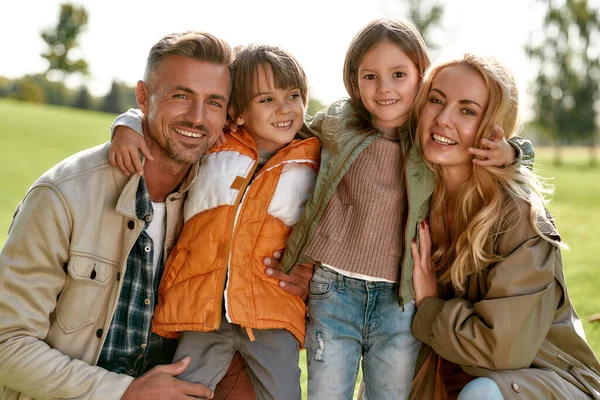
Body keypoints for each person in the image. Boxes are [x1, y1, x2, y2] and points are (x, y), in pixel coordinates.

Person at [111, 19, 529, 399]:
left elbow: (488, 146)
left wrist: (514, 152)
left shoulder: (428, 135)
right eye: (371, 76)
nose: (385, 89)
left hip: (397, 298)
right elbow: (266, 126)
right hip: (334, 291)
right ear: (353, 80)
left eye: (398, 75)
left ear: (421, 75)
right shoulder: (336, 126)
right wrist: (129, 122)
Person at [0, 31, 311, 400]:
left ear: (230, 114)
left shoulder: (214, 191)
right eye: (181, 96)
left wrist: (301, 278)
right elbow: (7, 345)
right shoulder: (63, 196)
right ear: (144, 97)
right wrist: (124, 392)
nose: (197, 118)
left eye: (213, 102)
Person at [111, 43, 319, 399]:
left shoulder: (315, 160)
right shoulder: (215, 146)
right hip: (202, 308)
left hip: (270, 313)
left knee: (284, 393)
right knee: (182, 390)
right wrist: (127, 123)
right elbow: (162, 123)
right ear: (237, 111)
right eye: (266, 100)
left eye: (293, 95)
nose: (284, 108)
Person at [410, 53, 600, 399]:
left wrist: (428, 306)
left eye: (467, 111)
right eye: (435, 100)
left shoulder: (519, 216)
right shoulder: (413, 195)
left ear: (493, 130)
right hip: (449, 378)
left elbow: (500, 349)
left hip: (543, 382)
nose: (443, 119)